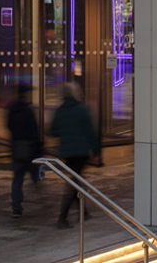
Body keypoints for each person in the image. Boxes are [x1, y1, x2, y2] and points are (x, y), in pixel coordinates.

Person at [49, 83, 101, 229]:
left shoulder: (59, 111)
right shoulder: (81, 110)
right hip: (81, 152)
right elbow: (90, 131)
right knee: (74, 183)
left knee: (75, 181)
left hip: (67, 153)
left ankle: (83, 212)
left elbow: (53, 131)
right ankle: (63, 217)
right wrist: (96, 150)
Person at [6, 85, 42, 218]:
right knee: (32, 171)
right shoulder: (28, 110)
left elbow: (9, 126)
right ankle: (38, 186)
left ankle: (16, 207)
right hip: (28, 147)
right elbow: (34, 131)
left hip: (16, 147)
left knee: (17, 179)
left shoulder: (12, 110)